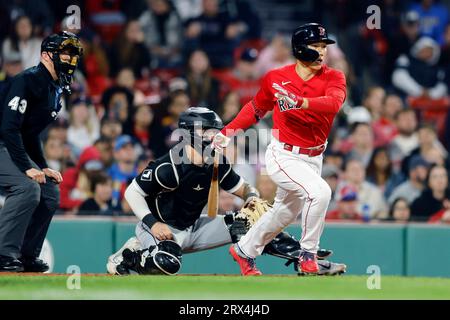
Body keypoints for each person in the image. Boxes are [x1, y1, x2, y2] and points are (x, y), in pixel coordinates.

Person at [107, 107, 346, 276]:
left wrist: (252, 198)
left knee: (253, 219)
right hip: (161, 229)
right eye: (208, 132)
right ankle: (129, 255)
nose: (215, 136)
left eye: (215, 131)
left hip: (194, 226)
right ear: (190, 133)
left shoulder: (216, 161)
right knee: (167, 263)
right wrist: (152, 222)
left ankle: (303, 256)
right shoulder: (169, 166)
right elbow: (133, 192)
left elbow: (243, 187)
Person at [212, 23, 347, 275]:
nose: (321, 52)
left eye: (323, 46)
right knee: (320, 192)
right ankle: (308, 255)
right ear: (299, 49)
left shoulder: (334, 77)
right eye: (315, 46)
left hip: (314, 156)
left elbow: (333, 104)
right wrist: (227, 132)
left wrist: (300, 101)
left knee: (283, 213)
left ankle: (243, 250)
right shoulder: (276, 78)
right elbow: (255, 109)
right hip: (283, 154)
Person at [0, 31, 82, 272]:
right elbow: (9, 128)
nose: (70, 59)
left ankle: (26, 255)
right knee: (27, 188)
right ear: (46, 56)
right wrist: (27, 167)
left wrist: (41, 165)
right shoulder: (29, 80)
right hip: (3, 141)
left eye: (73, 55)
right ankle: (4, 254)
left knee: (49, 193)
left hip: (12, 144)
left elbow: (30, 133)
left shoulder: (54, 87)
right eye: (65, 54)